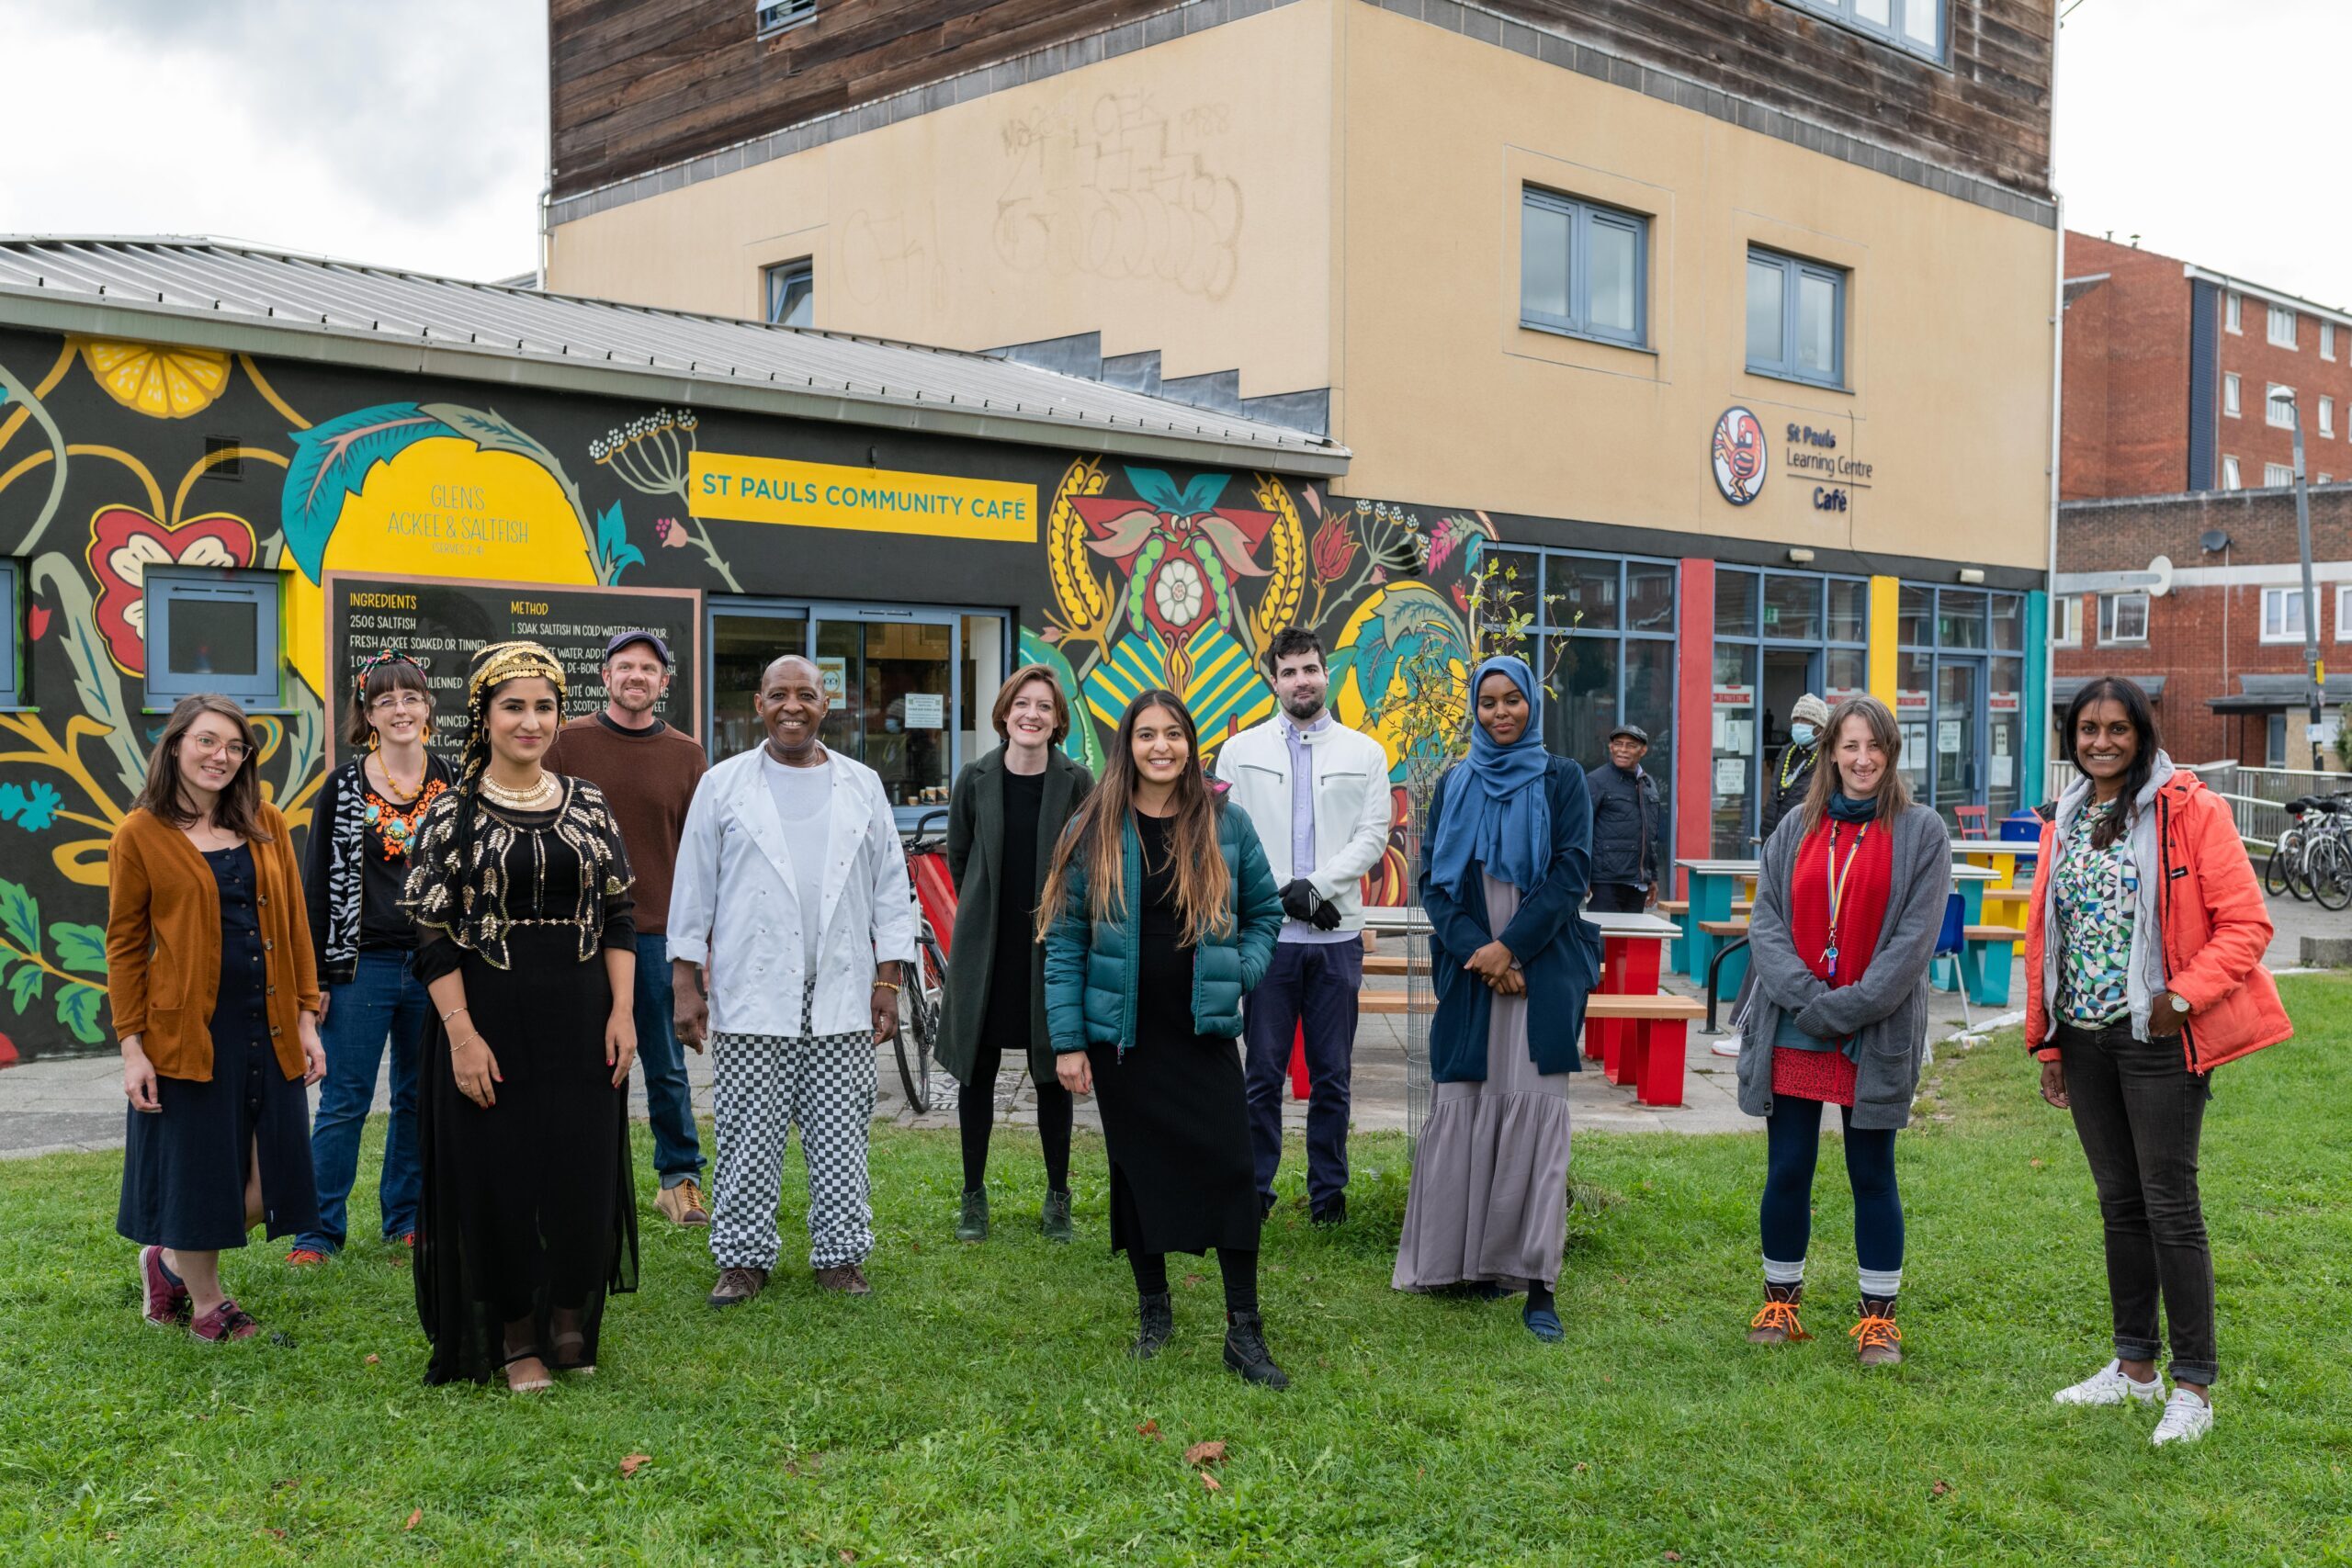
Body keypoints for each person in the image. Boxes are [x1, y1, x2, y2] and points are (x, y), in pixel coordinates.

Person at [2028, 676, 2290, 1447]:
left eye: (2116, 728)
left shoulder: (2190, 808)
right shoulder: (2066, 817)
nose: (2100, 741)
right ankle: (2134, 1368)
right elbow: (2052, 937)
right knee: (2120, 1204)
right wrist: (2049, 1041)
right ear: (2071, 737)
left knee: (2171, 1206)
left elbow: (2246, 923)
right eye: (2086, 729)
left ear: (2142, 733)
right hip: (2084, 1035)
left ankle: (2194, 1387)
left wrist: (2181, 996)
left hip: (2159, 1039)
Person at [404, 642, 639, 1390]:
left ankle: (569, 1320)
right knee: (498, 1174)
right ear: (484, 716)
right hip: (487, 1017)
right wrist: (461, 1035)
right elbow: (431, 935)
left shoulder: (590, 802)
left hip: (583, 1015)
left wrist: (625, 1013)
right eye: (514, 706)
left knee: (581, 1167)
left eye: (544, 706)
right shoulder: (452, 812)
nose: (531, 721)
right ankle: (513, 1338)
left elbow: (620, 915)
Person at [1043, 691, 1287, 1385]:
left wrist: (1242, 968)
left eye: (1173, 734)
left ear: (1189, 742)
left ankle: (1244, 1331)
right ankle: (1155, 1309)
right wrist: (1068, 1040)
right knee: (1137, 1172)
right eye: (1146, 734)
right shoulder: (1091, 826)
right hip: (1125, 1041)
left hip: (1202, 1032)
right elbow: (1062, 940)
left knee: (1233, 1168)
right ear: (1127, 745)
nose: (1160, 746)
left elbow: (1265, 912)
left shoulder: (1226, 823)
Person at [670, 654, 915, 1307]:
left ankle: (839, 1256)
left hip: (840, 988)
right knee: (750, 1131)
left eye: (805, 694)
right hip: (752, 992)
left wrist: (887, 979)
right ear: (759, 704)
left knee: (841, 1132)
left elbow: (892, 887)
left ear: (824, 704)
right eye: (778, 694)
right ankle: (743, 1259)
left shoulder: (862, 784)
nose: (791, 706)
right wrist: (686, 984)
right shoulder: (723, 785)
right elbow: (691, 889)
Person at [1393, 656, 1602, 1341]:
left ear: (1531, 705)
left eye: (1513, 699)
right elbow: (1433, 883)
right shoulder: (1455, 780)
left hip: (1539, 963)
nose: (1501, 712)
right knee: (1469, 1101)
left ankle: (1537, 1284)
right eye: (1488, 702)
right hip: (1471, 966)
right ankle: (1469, 1262)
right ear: (1475, 709)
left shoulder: (1562, 778)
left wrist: (1511, 948)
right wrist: (1482, 955)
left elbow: (1572, 872)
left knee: (1535, 1109)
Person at [1738, 694, 1949, 1366]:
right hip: (1795, 1027)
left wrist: (1844, 1007)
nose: (1863, 759)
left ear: (1891, 754)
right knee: (1789, 1166)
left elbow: (1912, 946)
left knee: (1872, 1174)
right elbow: (1765, 924)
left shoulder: (1922, 832)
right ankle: (1780, 1300)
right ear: (1830, 751)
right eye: (1850, 745)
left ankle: (1878, 1319)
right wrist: (1807, 1000)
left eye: (1875, 746)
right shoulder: (1794, 829)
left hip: (1872, 1032)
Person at [111, 695, 326, 1342]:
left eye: (234, 747)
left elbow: (293, 924)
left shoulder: (265, 820)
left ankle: (171, 1258)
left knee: (277, 1172)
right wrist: (131, 1048)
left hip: (271, 1022)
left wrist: (308, 1017)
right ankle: (208, 1309)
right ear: (176, 744)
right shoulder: (140, 833)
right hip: (187, 1031)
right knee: (203, 1169)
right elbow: (124, 945)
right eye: (207, 741)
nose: (220, 756)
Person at [1215, 627, 1393, 1225]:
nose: (1301, 680)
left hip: (1337, 938)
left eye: (1310, 668)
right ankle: (1254, 1191)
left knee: (1333, 1076)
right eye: (1289, 671)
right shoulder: (1240, 751)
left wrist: (1316, 886)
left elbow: (1373, 835)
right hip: (1269, 943)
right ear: (1273, 680)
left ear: (1327, 673)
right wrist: (1281, 892)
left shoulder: (1363, 752)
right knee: (1261, 1073)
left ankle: (1328, 1198)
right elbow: (1230, 837)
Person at [288, 651, 451, 1267]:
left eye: (410, 696)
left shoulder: (453, 780)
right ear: (369, 715)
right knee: (345, 1100)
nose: (401, 709)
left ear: (427, 706)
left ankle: (405, 1217)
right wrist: (317, 978)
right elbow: (315, 884)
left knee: (418, 1098)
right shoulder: (343, 785)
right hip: (361, 967)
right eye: (386, 700)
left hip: (434, 964)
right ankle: (316, 1231)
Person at [545, 630, 711, 1229]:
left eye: (648, 668)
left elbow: (705, 855)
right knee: (584, 1063)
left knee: (664, 1064)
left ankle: (680, 1182)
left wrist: (702, 947)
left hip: (658, 933)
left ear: (664, 682)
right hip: (578, 933)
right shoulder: (565, 744)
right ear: (604, 675)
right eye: (625, 666)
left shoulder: (688, 755)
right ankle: (587, 1180)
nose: (636, 676)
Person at [941, 664, 1092, 1243]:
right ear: (1004, 713)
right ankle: (972, 1197)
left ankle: (1058, 1197)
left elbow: (1087, 858)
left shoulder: (1077, 781)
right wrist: (984, 909)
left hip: (1049, 949)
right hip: (987, 951)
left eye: (1045, 707)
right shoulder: (974, 777)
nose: (1032, 715)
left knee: (1055, 1072)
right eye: (1022, 704)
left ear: (1057, 722)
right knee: (975, 1073)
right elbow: (960, 856)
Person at [1586, 722, 1662, 913]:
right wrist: (1582, 876)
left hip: (1637, 884)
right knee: (1603, 942)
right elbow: (1581, 830)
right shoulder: (1596, 781)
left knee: (1630, 942)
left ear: (1643, 750)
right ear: (1611, 747)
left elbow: (1650, 836)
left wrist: (1652, 877)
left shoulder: (1648, 783)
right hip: (1604, 882)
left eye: (1631, 745)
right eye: (1618, 744)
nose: (1623, 750)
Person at [1759, 692, 1828, 841]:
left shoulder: (1827, 759)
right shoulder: (1786, 753)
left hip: (1802, 839)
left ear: (1820, 727)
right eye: (1796, 719)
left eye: (1805, 720)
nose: (1798, 724)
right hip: (1773, 838)